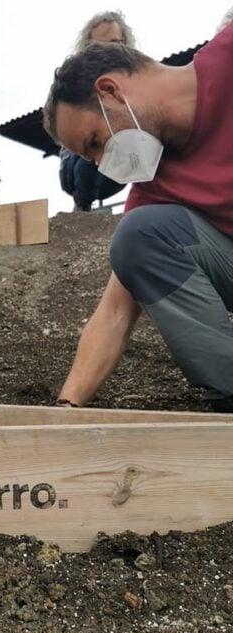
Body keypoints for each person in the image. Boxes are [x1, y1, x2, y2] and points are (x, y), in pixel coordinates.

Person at [43, 22, 233, 411]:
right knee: (140, 235)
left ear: (110, 91)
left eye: (95, 143)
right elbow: (113, 313)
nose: (100, 164)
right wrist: (65, 410)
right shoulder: (155, 190)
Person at [59, 11, 134, 211]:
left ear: (124, 44)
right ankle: (81, 208)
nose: (107, 52)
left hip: (121, 164)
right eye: (98, 47)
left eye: (114, 43)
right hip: (77, 166)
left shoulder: (137, 79)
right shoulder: (76, 82)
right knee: (95, 136)